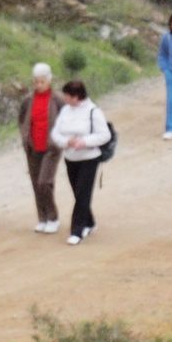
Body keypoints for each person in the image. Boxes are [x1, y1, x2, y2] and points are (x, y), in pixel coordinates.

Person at [50, 79, 113, 246]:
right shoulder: (65, 111)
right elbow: (56, 133)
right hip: (70, 158)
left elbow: (105, 135)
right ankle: (89, 222)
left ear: (76, 96)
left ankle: (77, 231)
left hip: (89, 158)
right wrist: (66, 141)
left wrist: (84, 142)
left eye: (67, 95)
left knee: (83, 193)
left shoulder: (93, 111)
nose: (64, 98)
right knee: (78, 193)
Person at [19, 63, 64, 234]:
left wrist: (61, 139)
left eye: (42, 82)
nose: (38, 85)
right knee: (36, 183)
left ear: (49, 80)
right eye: (36, 82)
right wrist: (25, 137)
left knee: (44, 182)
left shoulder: (58, 99)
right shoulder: (28, 100)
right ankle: (42, 218)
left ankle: (53, 217)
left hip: (52, 147)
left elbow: (67, 118)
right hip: (33, 147)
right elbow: (22, 119)